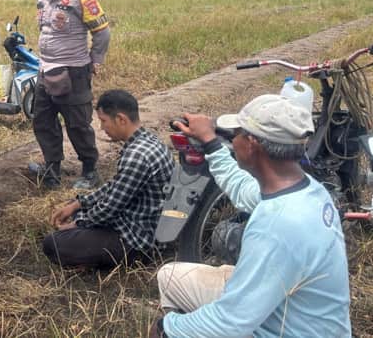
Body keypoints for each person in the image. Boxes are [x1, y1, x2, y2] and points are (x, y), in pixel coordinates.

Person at [150, 95, 351, 337]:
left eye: (236, 134)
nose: (233, 140)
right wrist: (210, 142)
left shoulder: (277, 226)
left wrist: (167, 328)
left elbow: (231, 322)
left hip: (285, 329)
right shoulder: (308, 189)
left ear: (252, 144)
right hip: (297, 313)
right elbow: (241, 186)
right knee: (170, 276)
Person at [43, 90, 173, 268]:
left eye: (103, 121)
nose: (102, 128)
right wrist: (77, 204)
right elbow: (115, 186)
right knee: (76, 211)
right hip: (139, 222)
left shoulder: (137, 155)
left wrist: (76, 224)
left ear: (121, 119)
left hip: (137, 240)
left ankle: (131, 259)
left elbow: (110, 208)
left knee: (53, 243)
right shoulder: (147, 141)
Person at [28, 0, 111, 189]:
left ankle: (89, 169)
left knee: (77, 124)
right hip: (46, 70)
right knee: (43, 120)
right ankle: (52, 167)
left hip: (74, 71)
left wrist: (96, 60)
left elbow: (103, 33)